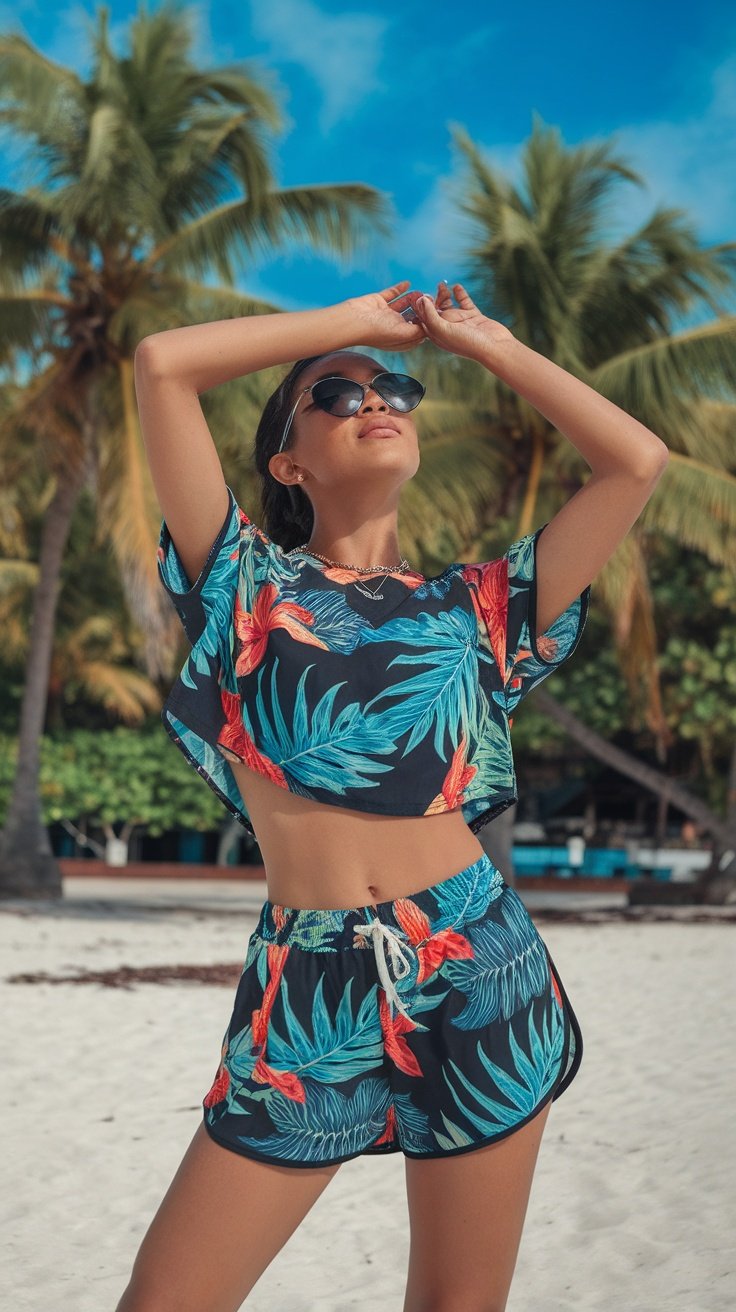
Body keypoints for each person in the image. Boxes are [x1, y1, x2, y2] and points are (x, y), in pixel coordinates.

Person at [117, 280, 669, 1312]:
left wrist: (490, 345)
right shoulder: (243, 586)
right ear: (288, 462)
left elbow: (635, 462)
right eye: (338, 396)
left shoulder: (479, 607)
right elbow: (163, 364)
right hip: (310, 979)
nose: (378, 401)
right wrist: (357, 326)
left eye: (396, 391)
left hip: (480, 961)